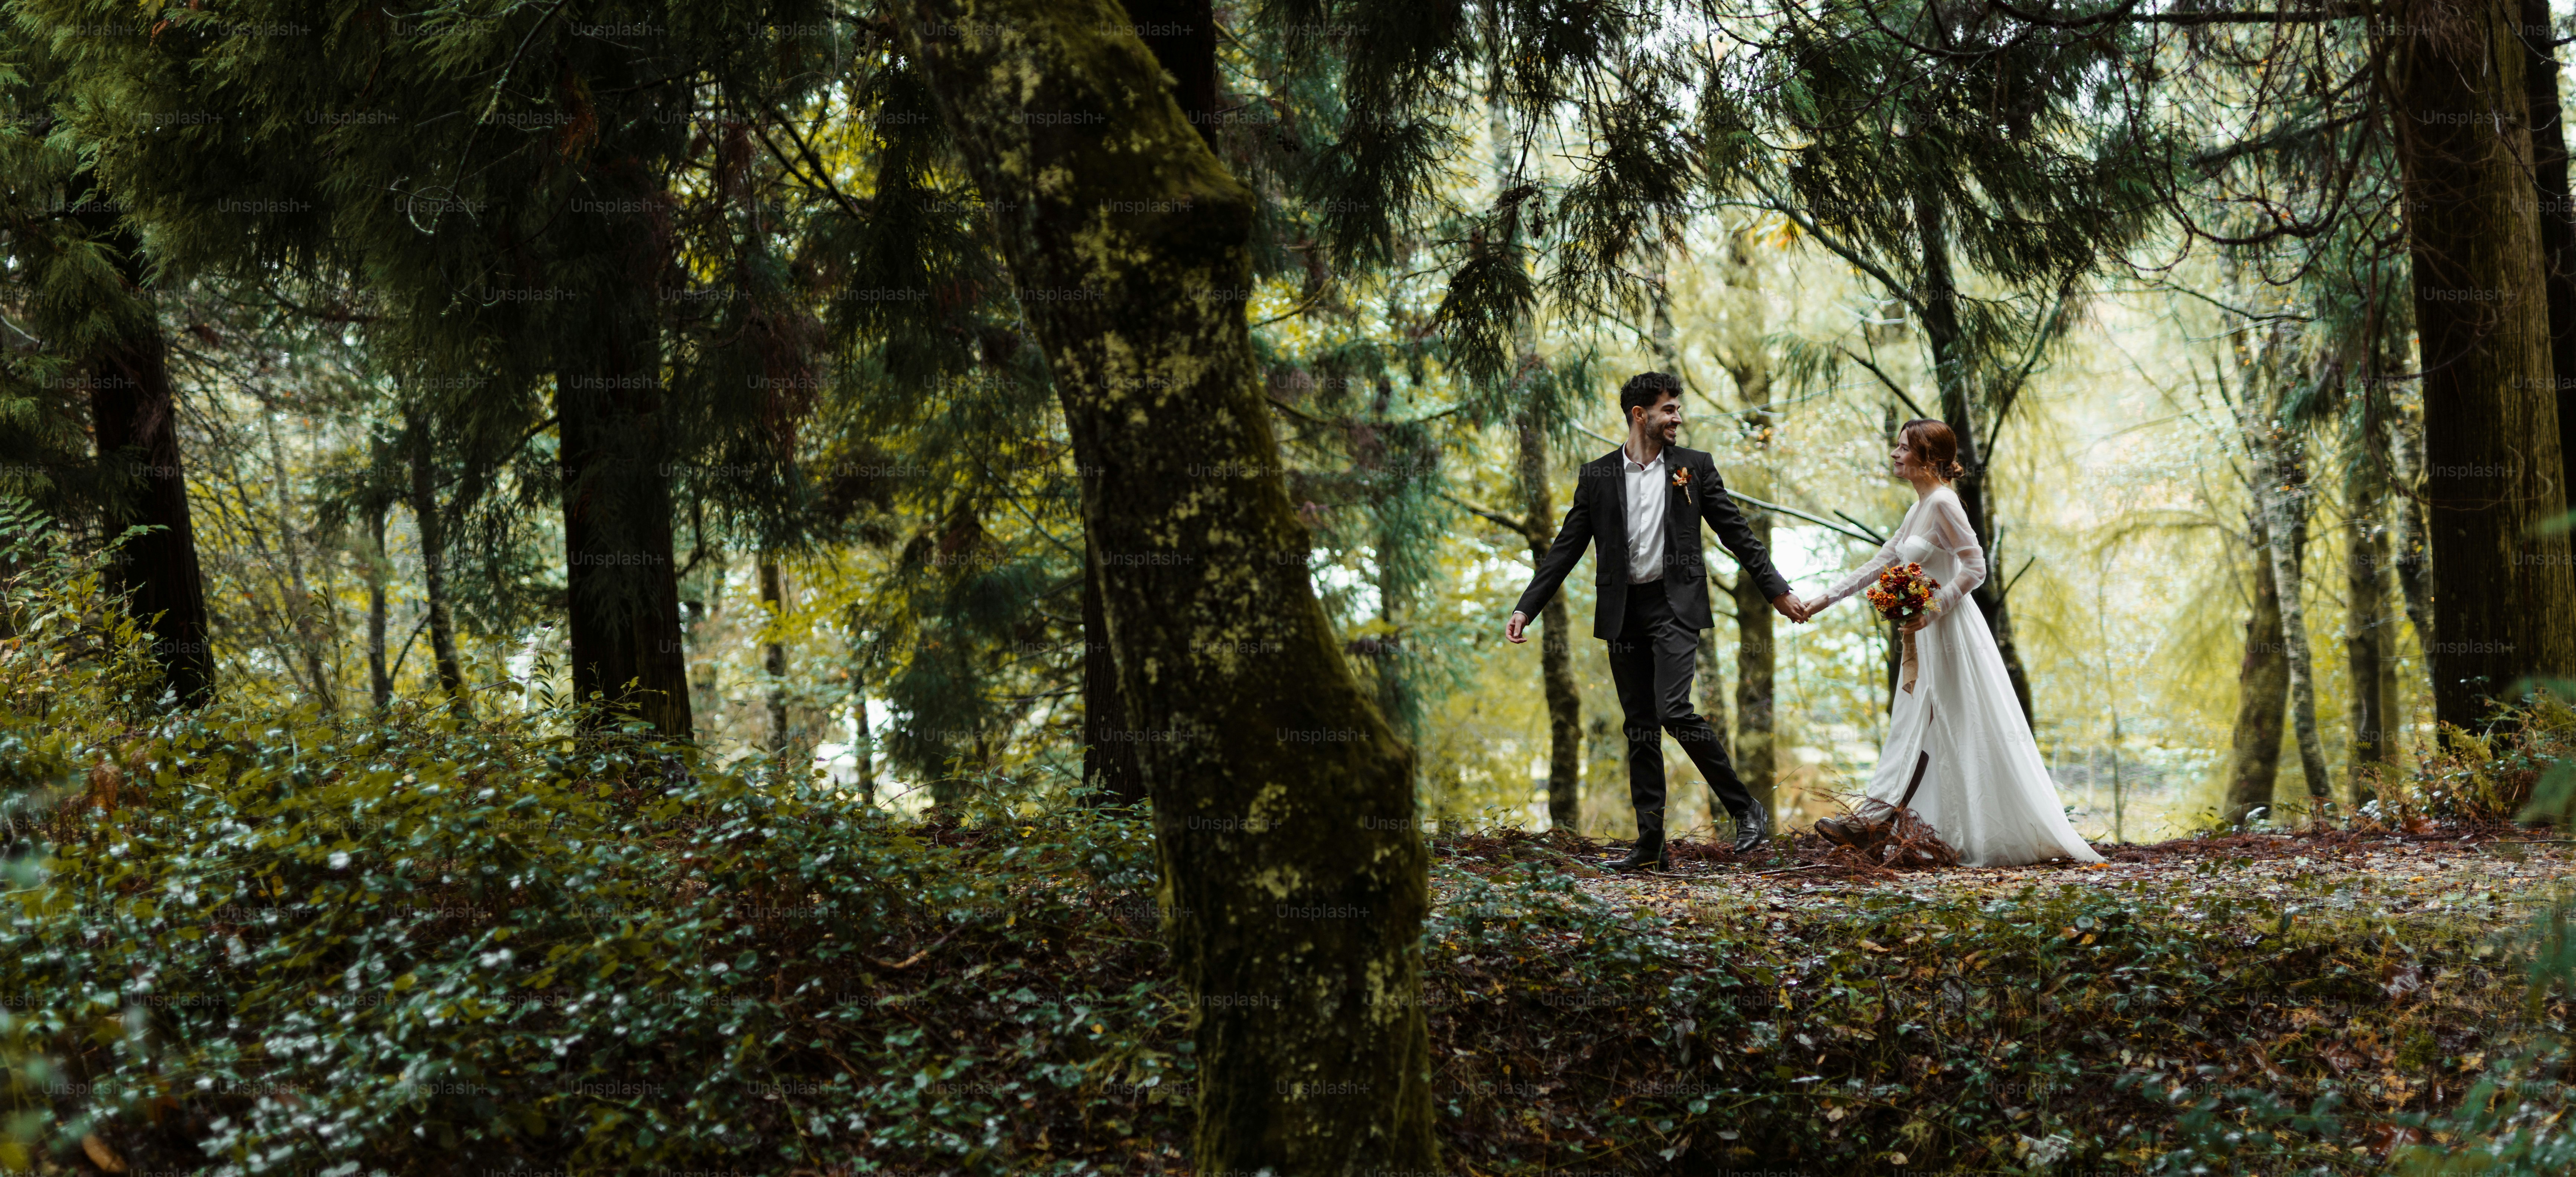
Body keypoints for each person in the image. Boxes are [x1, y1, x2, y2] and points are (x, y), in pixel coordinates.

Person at [1506, 372, 1809, 869]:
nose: (1678, 418)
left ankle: (1744, 807)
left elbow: (1737, 532)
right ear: (1639, 415)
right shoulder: (1597, 476)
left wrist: (1777, 589)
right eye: (1669, 409)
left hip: (1675, 606)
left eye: (1678, 409)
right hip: (1623, 611)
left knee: (1672, 710)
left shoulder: (1695, 467)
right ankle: (1650, 844)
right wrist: (1526, 606)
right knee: (1640, 727)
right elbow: (1566, 548)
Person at [1801, 419, 2104, 867]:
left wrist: (1932, 608)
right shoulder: (1918, 507)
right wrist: (1822, 600)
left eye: (1903, 448)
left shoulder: (1944, 502)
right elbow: (1881, 562)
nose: (1895, 454)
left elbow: (1975, 566)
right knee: (1914, 723)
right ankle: (1879, 824)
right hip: (1923, 634)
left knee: (1956, 723)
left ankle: (1889, 825)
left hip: (1950, 631)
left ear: (1928, 456)